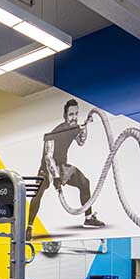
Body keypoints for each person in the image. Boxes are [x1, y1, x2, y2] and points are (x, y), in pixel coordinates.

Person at [26, 98, 104, 239]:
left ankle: (89, 218)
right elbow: (48, 157)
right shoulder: (54, 133)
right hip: (47, 169)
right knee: (37, 194)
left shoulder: (74, 129)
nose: (74, 118)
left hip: (62, 166)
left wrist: (84, 128)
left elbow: (81, 142)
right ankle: (29, 227)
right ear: (65, 115)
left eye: (76, 114)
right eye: (71, 114)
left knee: (84, 183)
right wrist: (55, 177)